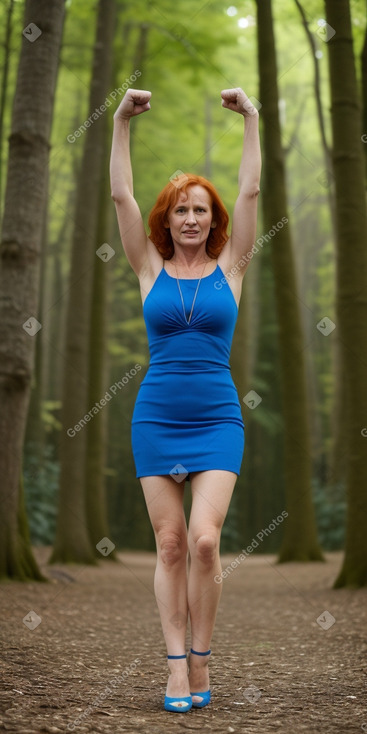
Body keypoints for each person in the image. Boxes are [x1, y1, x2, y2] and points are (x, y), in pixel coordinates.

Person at [110, 86, 261, 713]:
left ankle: (202, 655)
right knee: (169, 543)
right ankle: (176, 667)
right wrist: (119, 122)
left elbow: (250, 190)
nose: (192, 219)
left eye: (201, 210)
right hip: (157, 417)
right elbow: (121, 193)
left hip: (219, 416)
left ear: (214, 219)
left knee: (204, 540)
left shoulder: (234, 267)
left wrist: (252, 118)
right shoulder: (148, 268)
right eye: (181, 211)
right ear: (166, 221)